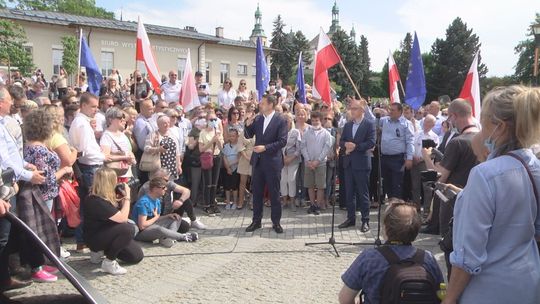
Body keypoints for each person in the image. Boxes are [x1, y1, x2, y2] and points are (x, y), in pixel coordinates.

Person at [443, 86, 540, 304]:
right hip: (528, 282)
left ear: (500, 127)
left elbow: (468, 255)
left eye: (484, 122)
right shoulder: (534, 167)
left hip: (489, 288)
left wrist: (449, 299)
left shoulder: (485, 174)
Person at [339, 199, 444, 304]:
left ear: (385, 229)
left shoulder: (369, 258)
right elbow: (441, 294)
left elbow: (345, 299)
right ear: (416, 231)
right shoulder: (428, 258)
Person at [421, 99, 479, 237]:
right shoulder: (483, 138)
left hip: (453, 202)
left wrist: (426, 157)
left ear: (453, 116)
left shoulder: (458, 141)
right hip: (475, 200)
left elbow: (440, 176)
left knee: (449, 246)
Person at [82, 168, 143, 275]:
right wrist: (127, 197)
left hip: (105, 233)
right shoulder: (96, 201)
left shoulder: (103, 197)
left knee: (136, 256)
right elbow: (123, 219)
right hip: (95, 238)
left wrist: (121, 198)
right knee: (128, 228)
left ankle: (100, 252)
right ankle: (109, 262)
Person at [243, 94, 288, 233]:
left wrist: (266, 148)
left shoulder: (280, 120)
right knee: (257, 193)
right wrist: (247, 124)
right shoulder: (258, 119)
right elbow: (248, 135)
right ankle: (256, 221)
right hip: (258, 162)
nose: (260, 105)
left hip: (273, 162)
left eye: (262, 103)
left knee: (274, 193)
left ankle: (276, 223)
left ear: (270, 105)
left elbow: (282, 141)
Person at [69, 92, 105, 251]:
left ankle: (83, 240)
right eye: (93, 106)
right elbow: (84, 151)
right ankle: (85, 241)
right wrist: (104, 155)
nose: (96, 110)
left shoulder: (84, 122)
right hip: (90, 167)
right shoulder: (82, 124)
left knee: (87, 206)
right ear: (83, 105)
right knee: (91, 207)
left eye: (97, 106)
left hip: (91, 166)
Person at [338, 99, 376, 232]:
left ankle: (365, 220)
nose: (351, 111)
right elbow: (341, 141)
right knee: (349, 193)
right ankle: (350, 218)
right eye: (351, 108)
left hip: (362, 163)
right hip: (348, 163)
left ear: (362, 110)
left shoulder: (369, 124)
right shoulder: (348, 125)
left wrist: (356, 146)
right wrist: (345, 145)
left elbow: (371, 142)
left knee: (363, 193)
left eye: (354, 108)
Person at [132, 177, 198, 247]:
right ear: (155, 189)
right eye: (163, 188)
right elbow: (142, 226)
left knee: (176, 217)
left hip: (151, 226)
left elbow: (155, 219)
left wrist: (168, 216)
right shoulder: (144, 202)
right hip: (141, 233)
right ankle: (183, 237)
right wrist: (156, 217)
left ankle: (168, 238)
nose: (165, 189)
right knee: (158, 229)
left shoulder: (156, 200)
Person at [138, 168, 206, 230]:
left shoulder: (167, 184)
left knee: (185, 200)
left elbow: (186, 191)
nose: (167, 183)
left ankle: (193, 220)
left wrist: (180, 201)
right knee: (183, 227)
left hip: (168, 211)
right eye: (165, 180)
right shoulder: (147, 188)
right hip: (154, 216)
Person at [374, 102, 414, 199]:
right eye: (389, 110)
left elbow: (410, 142)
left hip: (398, 159)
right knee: (387, 184)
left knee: (397, 184)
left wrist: (409, 158)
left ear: (400, 111)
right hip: (384, 158)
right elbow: (372, 122)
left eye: (393, 110)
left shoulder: (406, 124)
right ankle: (391, 204)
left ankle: (397, 207)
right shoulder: (384, 121)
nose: (390, 112)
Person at [300, 111, 332, 215]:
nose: (314, 122)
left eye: (317, 120)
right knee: (310, 185)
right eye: (313, 120)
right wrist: (308, 160)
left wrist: (317, 161)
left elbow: (326, 148)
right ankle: (312, 205)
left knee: (320, 186)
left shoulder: (326, 134)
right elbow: (303, 146)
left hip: (321, 163)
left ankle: (318, 205)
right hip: (308, 163)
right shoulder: (306, 132)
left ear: (321, 121)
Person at [100, 107, 137, 183]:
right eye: (120, 117)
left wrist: (131, 156)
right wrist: (125, 157)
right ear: (110, 119)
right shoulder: (106, 136)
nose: (123, 120)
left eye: (123, 117)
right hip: (114, 175)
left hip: (126, 172)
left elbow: (128, 151)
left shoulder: (122, 134)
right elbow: (106, 156)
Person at [410, 114, 439, 209]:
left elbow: (434, 152)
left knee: (427, 188)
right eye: (425, 121)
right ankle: (416, 207)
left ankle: (427, 210)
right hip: (415, 163)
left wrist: (422, 159)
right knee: (415, 186)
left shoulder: (434, 137)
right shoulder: (417, 133)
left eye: (428, 122)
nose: (425, 124)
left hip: (426, 164)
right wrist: (413, 157)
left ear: (433, 125)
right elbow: (412, 146)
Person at [198, 112, 224, 215]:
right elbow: (201, 149)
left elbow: (222, 147)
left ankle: (213, 204)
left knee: (214, 183)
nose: (213, 121)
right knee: (207, 183)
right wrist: (211, 141)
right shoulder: (203, 133)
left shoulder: (218, 132)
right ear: (207, 120)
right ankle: (206, 205)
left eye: (215, 119)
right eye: (211, 119)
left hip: (217, 157)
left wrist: (217, 139)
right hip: (207, 158)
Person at [144, 115, 182, 181]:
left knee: (170, 187)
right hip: (158, 167)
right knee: (158, 186)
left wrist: (178, 165)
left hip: (171, 166)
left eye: (168, 122)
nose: (167, 124)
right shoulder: (153, 135)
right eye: (164, 123)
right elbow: (146, 148)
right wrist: (158, 149)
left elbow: (177, 152)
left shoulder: (172, 135)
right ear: (158, 125)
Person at [280, 113, 301, 210]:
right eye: (284, 121)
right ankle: (284, 201)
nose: (286, 123)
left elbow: (299, 148)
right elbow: (278, 146)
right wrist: (283, 158)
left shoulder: (296, 132)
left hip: (293, 160)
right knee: (283, 180)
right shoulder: (279, 131)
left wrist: (291, 158)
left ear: (291, 121)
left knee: (291, 180)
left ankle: (292, 202)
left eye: (287, 121)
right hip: (282, 160)